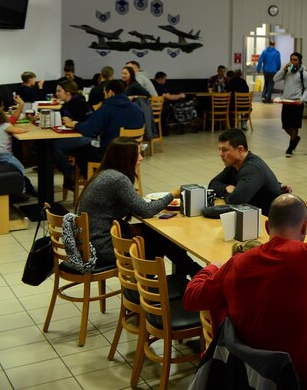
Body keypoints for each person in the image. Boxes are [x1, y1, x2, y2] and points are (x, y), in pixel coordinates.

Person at [183, 194, 307, 390]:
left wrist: (212, 268)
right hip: (304, 379)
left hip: (251, 378)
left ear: (266, 227)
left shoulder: (237, 264)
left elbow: (191, 298)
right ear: (305, 227)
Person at [77, 137, 201, 277]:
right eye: (138, 154)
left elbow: (104, 214)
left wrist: (125, 226)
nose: (141, 158)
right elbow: (146, 211)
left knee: (155, 235)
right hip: (101, 249)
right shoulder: (117, 179)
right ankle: (185, 276)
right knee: (158, 240)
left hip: (89, 243)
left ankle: (192, 273)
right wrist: (172, 194)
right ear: (126, 158)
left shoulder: (105, 174)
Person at [65, 80, 145, 177]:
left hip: (111, 153)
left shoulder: (107, 108)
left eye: (104, 93)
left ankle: (96, 181)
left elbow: (88, 130)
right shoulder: (138, 109)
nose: (104, 96)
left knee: (79, 152)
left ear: (110, 92)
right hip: (133, 153)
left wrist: (75, 124)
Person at [208, 128, 283, 213]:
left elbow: (236, 201)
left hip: (267, 218)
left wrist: (230, 194)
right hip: (251, 215)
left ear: (240, 149)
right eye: (220, 149)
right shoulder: (234, 165)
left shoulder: (252, 168)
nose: (221, 154)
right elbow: (212, 185)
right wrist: (226, 188)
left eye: (224, 150)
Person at [52, 80, 93, 190]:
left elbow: (90, 123)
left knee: (55, 146)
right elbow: (60, 117)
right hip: (72, 135)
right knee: (49, 145)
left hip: (85, 137)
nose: (56, 93)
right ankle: (69, 173)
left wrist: (73, 122)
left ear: (68, 92)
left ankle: (70, 173)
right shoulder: (67, 104)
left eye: (59, 91)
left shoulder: (81, 104)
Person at [274, 52, 307, 157]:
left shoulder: (304, 73)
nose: (293, 62)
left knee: (295, 126)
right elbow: (275, 79)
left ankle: (290, 148)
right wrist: (283, 69)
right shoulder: (287, 71)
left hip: (297, 103)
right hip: (286, 101)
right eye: (291, 60)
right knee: (285, 125)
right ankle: (295, 139)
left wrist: (302, 100)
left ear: (299, 61)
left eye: (295, 60)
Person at [0, 107, 30, 191]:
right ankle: (21, 190)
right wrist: (25, 130)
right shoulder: (5, 126)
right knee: (20, 168)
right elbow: (17, 130)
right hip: (4, 155)